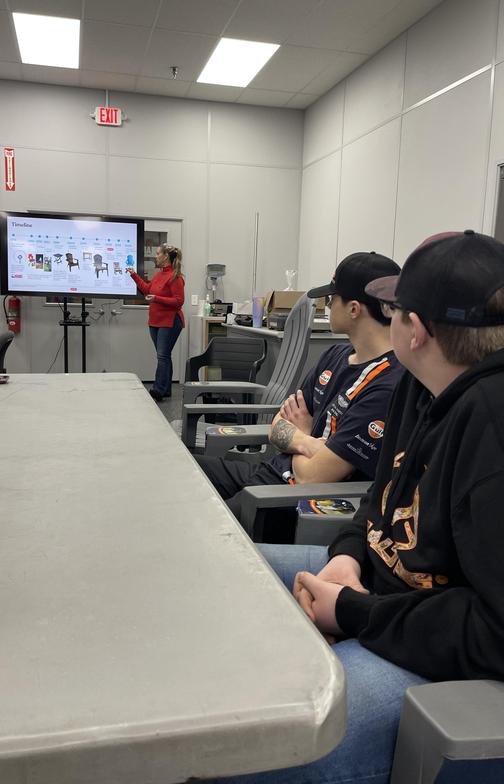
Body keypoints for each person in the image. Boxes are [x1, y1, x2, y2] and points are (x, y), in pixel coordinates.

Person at [212, 230, 504, 784]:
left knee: (258, 751)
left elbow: (493, 632)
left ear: (413, 331)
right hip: (374, 590)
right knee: (219, 568)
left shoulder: (491, 430)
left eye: (394, 309)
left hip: (433, 654)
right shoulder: (419, 388)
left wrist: (349, 613)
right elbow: (379, 500)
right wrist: (347, 556)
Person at [197, 252, 404, 537]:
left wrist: (298, 437)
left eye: (332, 299)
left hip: (290, 502)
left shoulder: (388, 385)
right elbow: (278, 425)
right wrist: (307, 441)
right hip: (270, 473)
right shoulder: (336, 354)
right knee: (184, 471)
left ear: (354, 309)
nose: (327, 306)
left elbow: (312, 476)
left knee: (199, 523)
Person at [127, 244, 184, 401]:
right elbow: (147, 290)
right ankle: (166, 390)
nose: (155, 256)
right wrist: (134, 275)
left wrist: (157, 298)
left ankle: (158, 390)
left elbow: (179, 302)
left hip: (170, 321)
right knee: (164, 356)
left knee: (162, 356)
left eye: (158, 253)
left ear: (165, 256)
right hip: (155, 321)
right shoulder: (159, 275)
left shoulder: (175, 277)